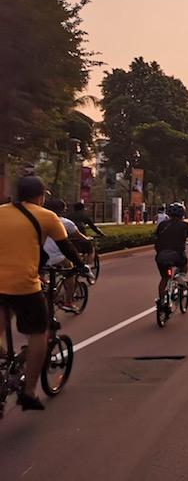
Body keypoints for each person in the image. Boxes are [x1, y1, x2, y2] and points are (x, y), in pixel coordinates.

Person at [0, 176, 87, 411]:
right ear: (41, 196)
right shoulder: (47, 216)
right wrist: (81, 267)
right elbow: (66, 246)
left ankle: (6, 362)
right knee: (40, 333)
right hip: (24, 286)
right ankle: (28, 392)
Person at [43, 199, 90, 313]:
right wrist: (88, 240)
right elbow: (77, 237)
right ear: (62, 210)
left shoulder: (37, 219)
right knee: (70, 272)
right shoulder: (65, 223)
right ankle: (68, 301)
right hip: (57, 257)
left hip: (38, 257)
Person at [154, 203, 188, 298]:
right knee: (184, 266)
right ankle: (180, 277)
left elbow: (156, 238)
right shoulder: (185, 225)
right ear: (183, 214)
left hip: (161, 257)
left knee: (165, 278)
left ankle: (161, 302)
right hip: (177, 257)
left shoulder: (162, 224)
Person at [67, 201, 104, 267]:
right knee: (90, 250)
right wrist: (101, 233)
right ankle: (88, 267)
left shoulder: (68, 216)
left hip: (69, 238)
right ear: (82, 209)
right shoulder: (84, 216)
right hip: (81, 237)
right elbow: (93, 227)